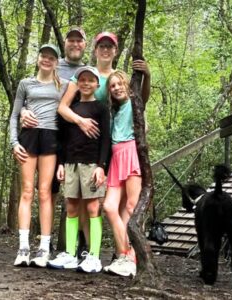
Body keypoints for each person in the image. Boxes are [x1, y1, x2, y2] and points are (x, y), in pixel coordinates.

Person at [10, 44, 69, 267]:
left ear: (57, 63)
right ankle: (23, 247)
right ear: (38, 59)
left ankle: (44, 248)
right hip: (29, 138)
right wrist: (14, 143)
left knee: (45, 192)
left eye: (51, 57)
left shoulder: (64, 85)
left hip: (51, 138)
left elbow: (69, 113)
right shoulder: (25, 84)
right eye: (43, 56)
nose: (47, 60)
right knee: (27, 191)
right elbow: (15, 115)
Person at [47, 66, 110, 273]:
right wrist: (61, 164)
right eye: (82, 80)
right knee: (71, 206)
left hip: (92, 164)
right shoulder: (71, 108)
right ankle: (70, 254)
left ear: (97, 84)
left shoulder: (101, 107)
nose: (85, 83)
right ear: (77, 83)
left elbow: (106, 140)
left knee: (93, 208)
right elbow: (63, 140)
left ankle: (93, 255)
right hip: (71, 164)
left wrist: (102, 167)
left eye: (90, 80)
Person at [102, 68, 150, 277]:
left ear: (127, 85)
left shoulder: (134, 103)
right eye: (112, 86)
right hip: (115, 158)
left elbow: (144, 96)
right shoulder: (113, 111)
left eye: (120, 84)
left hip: (130, 152)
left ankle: (130, 257)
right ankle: (124, 254)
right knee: (110, 207)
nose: (116, 88)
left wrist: (147, 76)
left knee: (131, 206)